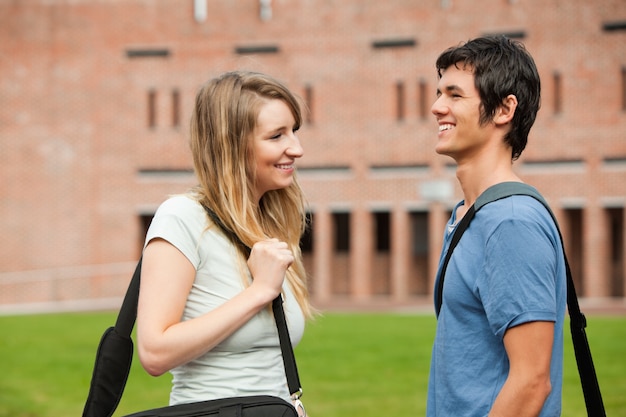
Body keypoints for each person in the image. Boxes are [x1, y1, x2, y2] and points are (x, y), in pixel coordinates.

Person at [136, 71, 312, 415]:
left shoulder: (268, 223)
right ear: (231, 145)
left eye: (294, 131)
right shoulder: (183, 217)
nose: (297, 148)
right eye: (277, 136)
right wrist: (258, 292)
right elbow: (154, 352)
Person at [426, 36, 567, 417]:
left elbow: (532, 381)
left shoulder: (510, 222)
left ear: (504, 109)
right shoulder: (469, 214)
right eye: (439, 93)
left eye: (455, 95)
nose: (437, 107)